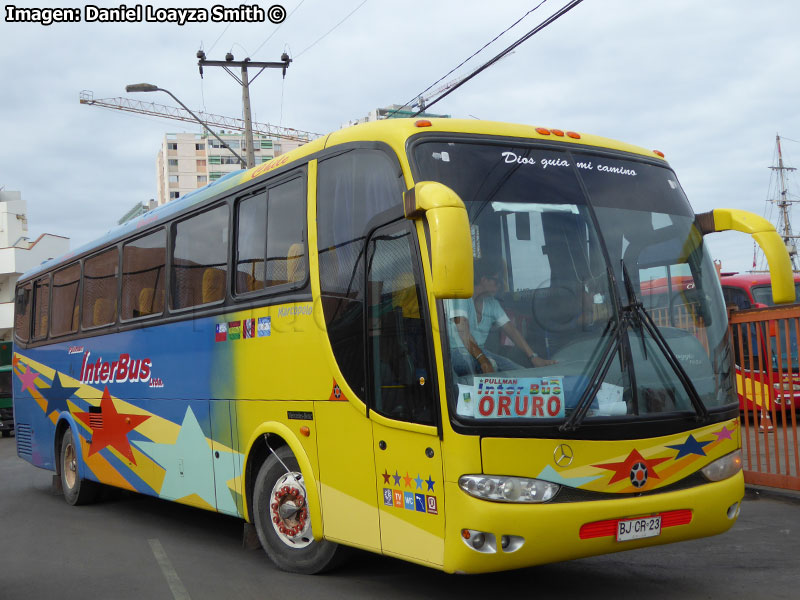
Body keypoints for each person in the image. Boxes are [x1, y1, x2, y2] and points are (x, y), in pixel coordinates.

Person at [447, 257, 555, 376]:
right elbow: (463, 332)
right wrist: (482, 359)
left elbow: (512, 331)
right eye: (497, 281)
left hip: (481, 353)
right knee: (490, 364)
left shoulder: (492, 304)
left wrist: (533, 357)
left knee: (520, 373)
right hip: (457, 353)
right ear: (484, 280)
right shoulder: (461, 297)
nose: (500, 286)